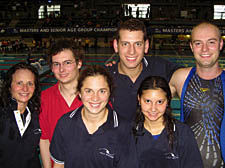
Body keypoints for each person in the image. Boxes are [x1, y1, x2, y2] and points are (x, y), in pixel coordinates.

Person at [50, 65, 138, 168]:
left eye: (102, 91)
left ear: (110, 93)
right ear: (79, 93)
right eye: (88, 91)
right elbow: (59, 164)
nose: (95, 98)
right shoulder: (65, 123)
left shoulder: (123, 129)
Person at [170, 21, 225, 167]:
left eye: (211, 42)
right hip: (186, 163)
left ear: (220, 44)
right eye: (198, 43)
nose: (205, 49)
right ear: (191, 47)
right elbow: (151, 97)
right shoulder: (180, 78)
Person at [106, 19, 181, 121]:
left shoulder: (161, 67)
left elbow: (191, 77)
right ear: (116, 46)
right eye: (125, 44)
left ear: (146, 46)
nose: (131, 51)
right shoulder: (104, 77)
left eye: (138, 44)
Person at [134, 76, 203, 168]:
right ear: (139, 99)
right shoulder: (128, 133)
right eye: (147, 101)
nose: (153, 108)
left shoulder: (182, 133)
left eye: (159, 102)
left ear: (167, 101)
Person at [39, 39, 84, 168]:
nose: (62, 69)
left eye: (67, 63)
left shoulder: (95, 96)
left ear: (79, 63)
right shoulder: (44, 98)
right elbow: (44, 139)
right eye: (56, 64)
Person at [0, 62, 42, 168]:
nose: (25, 89)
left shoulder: (36, 115)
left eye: (30, 83)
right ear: (9, 86)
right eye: (19, 83)